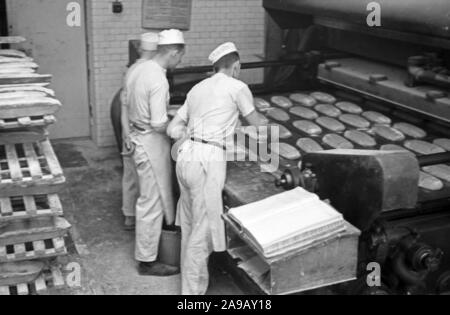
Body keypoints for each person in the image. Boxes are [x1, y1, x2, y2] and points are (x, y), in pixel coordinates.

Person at [167, 42, 267, 294]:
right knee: (202, 234)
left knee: (190, 226)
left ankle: (189, 286)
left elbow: (172, 129)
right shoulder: (238, 87)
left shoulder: (197, 88)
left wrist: (195, 135)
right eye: (239, 68)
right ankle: (191, 296)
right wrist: (264, 122)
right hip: (207, 161)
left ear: (215, 67)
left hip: (185, 156)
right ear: (236, 66)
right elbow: (259, 126)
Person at [127, 29, 185, 276]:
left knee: (149, 199)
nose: (179, 62)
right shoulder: (159, 79)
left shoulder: (139, 68)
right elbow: (159, 124)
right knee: (151, 202)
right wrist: (181, 126)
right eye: (180, 57)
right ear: (173, 52)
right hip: (150, 143)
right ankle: (147, 261)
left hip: (137, 134)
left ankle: (150, 250)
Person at [121, 32, 159, 231]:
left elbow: (123, 105)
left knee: (130, 173)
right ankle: (135, 217)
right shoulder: (148, 72)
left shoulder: (131, 70)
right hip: (139, 131)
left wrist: (126, 132)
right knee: (143, 182)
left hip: (129, 128)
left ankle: (129, 214)